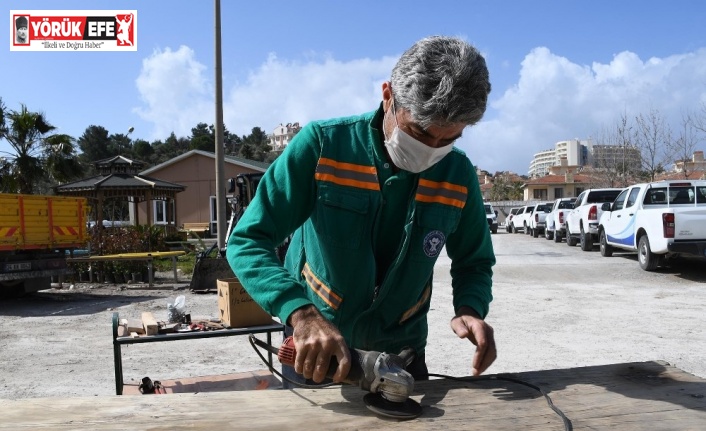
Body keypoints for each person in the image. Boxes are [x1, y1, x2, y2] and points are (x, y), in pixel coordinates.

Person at [227, 35, 496, 384]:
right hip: (319, 348)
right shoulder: (323, 147)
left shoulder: (457, 174)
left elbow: (474, 261)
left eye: (447, 140)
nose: (431, 150)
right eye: (419, 133)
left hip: (403, 353)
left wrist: (471, 309)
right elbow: (248, 239)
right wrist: (300, 312)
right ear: (388, 97)